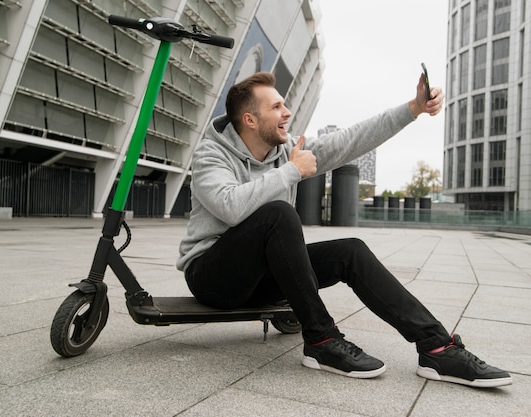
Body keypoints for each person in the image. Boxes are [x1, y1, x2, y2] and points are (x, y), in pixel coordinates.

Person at [176, 71, 512, 388]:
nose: (287, 112)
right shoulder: (212, 153)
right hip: (213, 277)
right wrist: (291, 171)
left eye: (285, 104)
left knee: (351, 250)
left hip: (262, 277)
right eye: (276, 107)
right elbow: (229, 206)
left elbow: (350, 140)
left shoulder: (287, 150)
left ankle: (437, 348)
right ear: (249, 119)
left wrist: (413, 108)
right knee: (277, 214)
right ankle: (322, 340)